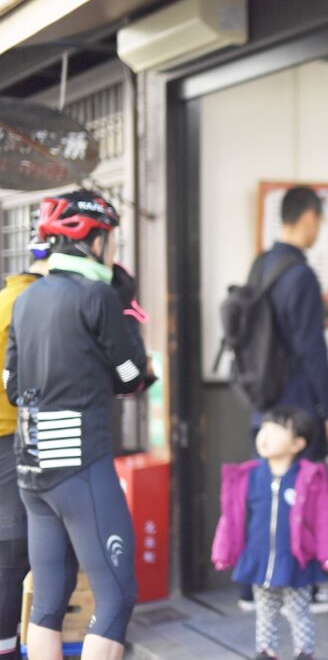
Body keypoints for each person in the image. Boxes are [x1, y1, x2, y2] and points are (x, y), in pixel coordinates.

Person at [3, 190, 148, 660]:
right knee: (116, 598)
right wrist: (126, 311)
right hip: (80, 466)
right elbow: (132, 377)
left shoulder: (25, 300)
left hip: (32, 469)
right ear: (96, 240)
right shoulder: (98, 296)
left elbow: (11, 386)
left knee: (47, 604)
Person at [242, 185, 328, 614]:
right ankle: (303, 589)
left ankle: (254, 586)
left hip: (262, 400)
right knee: (303, 495)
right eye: (319, 221)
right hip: (298, 404)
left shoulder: (262, 266)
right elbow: (310, 349)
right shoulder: (301, 274)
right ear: (308, 218)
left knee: (267, 494)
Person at [213, 406, 328, 660]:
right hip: (260, 557)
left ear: (297, 444)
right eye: (263, 428)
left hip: (295, 557)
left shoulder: (308, 477)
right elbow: (232, 517)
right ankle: (265, 651)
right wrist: (224, 550)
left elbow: (325, 518)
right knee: (265, 609)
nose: (265, 435)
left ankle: (304, 652)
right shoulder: (249, 476)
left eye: (275, 430)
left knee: (298, 609)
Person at [0, 232, 50, 657]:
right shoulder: (33, 305)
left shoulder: (5, 298)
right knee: (14, 539)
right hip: (11, 431)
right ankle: (6, 644)